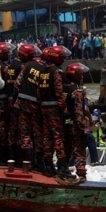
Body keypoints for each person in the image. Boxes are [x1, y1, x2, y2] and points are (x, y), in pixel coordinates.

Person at [39, 45, 71, 177]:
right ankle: (62, 167)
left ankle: (48, 166)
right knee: (58, 137)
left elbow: (38, 91)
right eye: (62, 57)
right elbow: (59, 91)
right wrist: (64, 109)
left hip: (44, 107)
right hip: (54, 109)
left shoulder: (43, 71)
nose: (64, 60)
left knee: (47, 137)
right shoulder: (56, 72)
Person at [13, 44, 45, 170]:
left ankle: (27, 161)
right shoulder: (43, 68)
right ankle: (40, 162)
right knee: (37, 133)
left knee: (25, 133)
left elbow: (17, 84)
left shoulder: (26, 67)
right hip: (36, 106)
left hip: (22, 104)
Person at [61, 63, 91, 184]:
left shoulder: (63, 88)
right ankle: (81, 174)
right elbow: (79, 111)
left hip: (64, 122)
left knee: (66, 148)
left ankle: (63, 171)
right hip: (75, 124)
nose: (82, 76)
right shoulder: (77, 91)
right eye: (80, 74)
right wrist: (83, 128)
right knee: (79, 149)